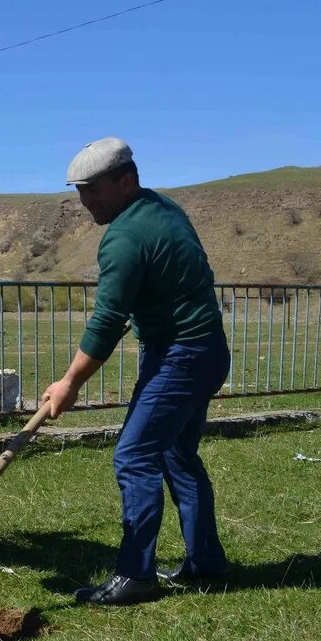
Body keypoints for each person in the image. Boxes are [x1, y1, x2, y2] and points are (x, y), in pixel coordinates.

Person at [42, 137, 230, 605]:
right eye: (80, 191)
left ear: (126, 181)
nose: (86, 201)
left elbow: (107, 320)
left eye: (93, 190)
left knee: (134, 456)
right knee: (177, 456)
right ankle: (206, 563)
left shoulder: (126, 237)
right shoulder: (163, 208)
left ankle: (135, 576)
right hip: (207, 349)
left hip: (180, 355)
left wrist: (68, 384)